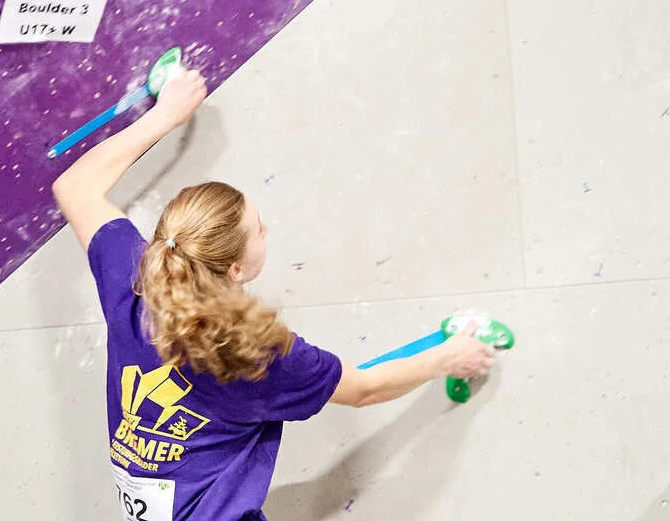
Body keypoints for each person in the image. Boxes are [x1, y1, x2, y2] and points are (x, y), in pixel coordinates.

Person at [51, 66, 495, 521]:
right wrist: (448, 358)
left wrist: (167, 115)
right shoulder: (255, 356)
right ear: (237, 268)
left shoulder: (134, 286)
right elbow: (364, 389)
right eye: (257, 228)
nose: (267, 228)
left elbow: (74, 186)